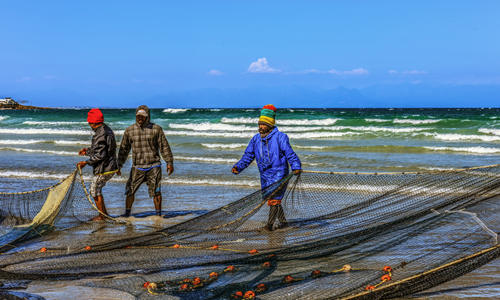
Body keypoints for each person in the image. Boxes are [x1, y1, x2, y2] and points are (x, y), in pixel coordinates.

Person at [232, 104, 302, 231]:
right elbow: (248, 155)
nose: (260, 127)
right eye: (259, 124)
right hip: (265, 175)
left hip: (279, 174)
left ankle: (269, 226)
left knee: (274, 199)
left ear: (270, 125)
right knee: (272, 199)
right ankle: (283, 222)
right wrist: (239, 166)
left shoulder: (280, 137)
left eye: (263, 125)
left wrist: (296, 166)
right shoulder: (255, 140)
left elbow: (289, 153)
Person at [117, 105, 174, 217]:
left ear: (147, 116)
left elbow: (164, 147)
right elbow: (124, 149)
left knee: (156, 192)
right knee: (130, 191)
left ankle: (158, 215)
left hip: (154, 166)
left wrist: (169, 162)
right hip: (137, 167)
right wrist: (118, 165)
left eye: (142, 116)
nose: (140, 118)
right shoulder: (129, 130)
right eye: (138, 116)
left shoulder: (156, 129)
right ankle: (127, 214)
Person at [77, 108, 119, 221]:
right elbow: (100, 150)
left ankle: (102, 216)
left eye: (89, 122)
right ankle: (104, 214)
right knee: (97, 189)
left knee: (94, 190)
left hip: (105, 168)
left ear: (93, 122)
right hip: (111, 166)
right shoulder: (107, 130)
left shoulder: (100, 134)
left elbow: (100, 155)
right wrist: (87, 151)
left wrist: (86, 162)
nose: (89, 124)